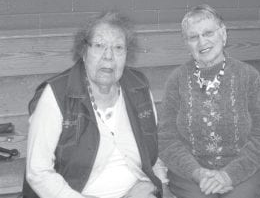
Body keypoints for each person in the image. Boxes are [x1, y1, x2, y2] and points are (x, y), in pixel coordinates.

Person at [22, 11, 168, 198]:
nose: (109, 56)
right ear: (84, 51)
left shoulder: (138, 87)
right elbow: (38, 171)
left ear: (126, 54)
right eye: (99, 46)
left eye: (118, 48)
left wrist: (159, 186)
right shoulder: (56, 94)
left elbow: (154, 154)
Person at [158, 4, 260, 198]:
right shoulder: (177, 79)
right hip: (189, 171)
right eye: (193, 37)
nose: (201, 41)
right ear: (186, 43)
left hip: (244, 168)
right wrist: (197, 173)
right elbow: (166, 138)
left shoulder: (248, 75)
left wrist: (229, 175)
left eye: (208, 33)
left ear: (223, 34)